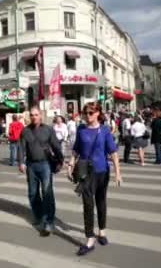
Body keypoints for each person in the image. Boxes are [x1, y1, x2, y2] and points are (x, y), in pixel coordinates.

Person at [67, 102, 122, 256]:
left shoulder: (104, 130)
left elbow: (113, 152)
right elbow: (76, 149)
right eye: (86, 113)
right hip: (85, 173)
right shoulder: (81, 129)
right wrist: (71, 163)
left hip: (102, 171)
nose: (88, 115)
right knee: (87, 205)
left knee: (101, 202)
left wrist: (118, 172)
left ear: (98, 113)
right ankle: (90, 238)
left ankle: (102, 231)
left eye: (91, 112)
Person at [18, 106, 63, 237]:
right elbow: (21, 147)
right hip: (31, 165)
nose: (34, 117)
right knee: (32, 193)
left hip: (45, 164)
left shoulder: (48, 129)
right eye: (32, 115)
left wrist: (60, 160)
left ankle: (49, 221)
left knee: (47, 193)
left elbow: (56, 145)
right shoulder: (25, 131)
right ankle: (39, 217)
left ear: (41, 115)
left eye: (36, 115)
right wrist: (21, 162)